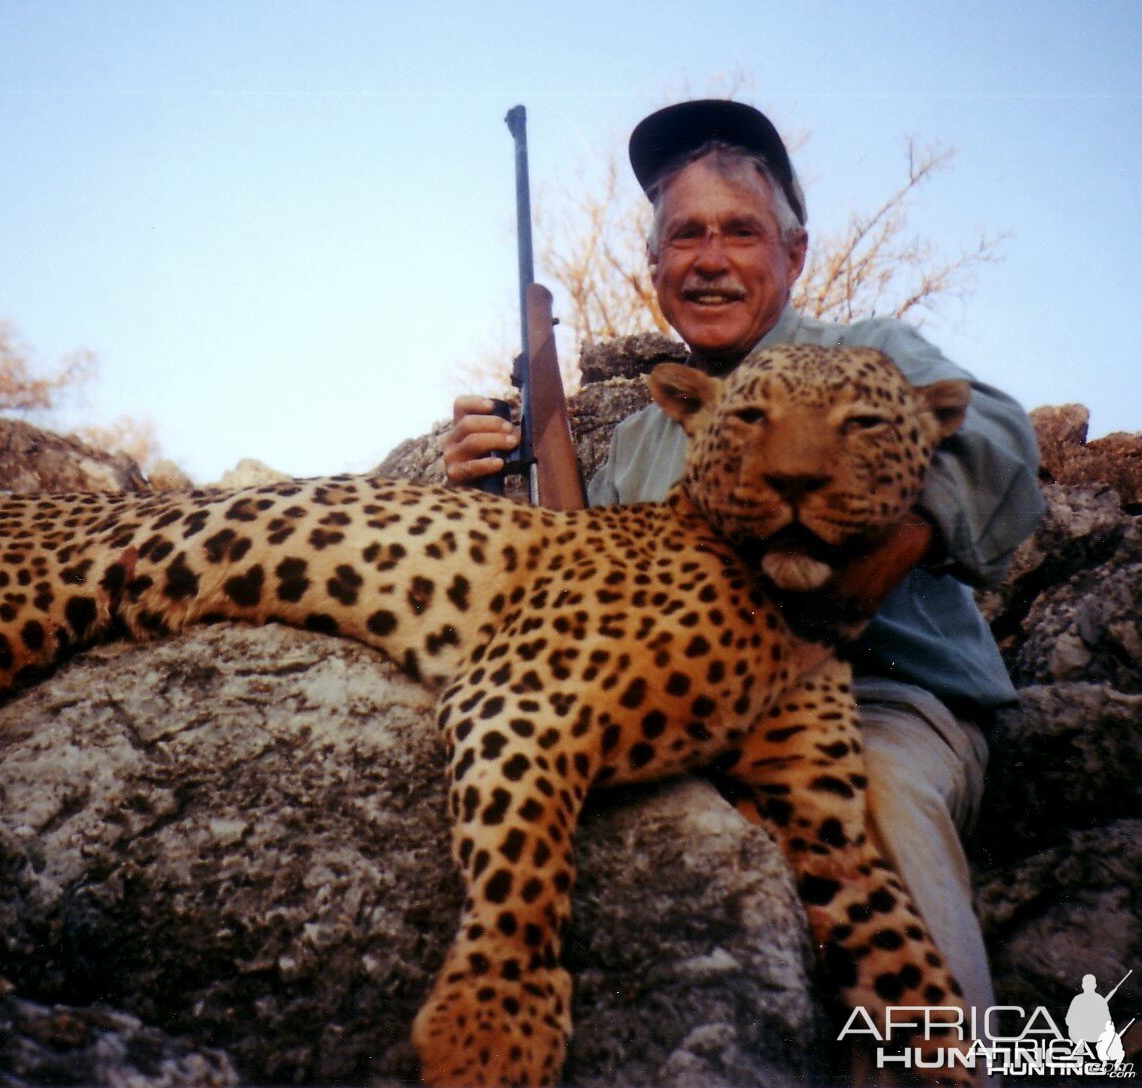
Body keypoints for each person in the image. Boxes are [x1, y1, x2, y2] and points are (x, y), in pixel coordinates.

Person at [444, 99, 1046, 1036]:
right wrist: (492, 481)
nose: (710, 257)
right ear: (653, 269)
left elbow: (1003, 434)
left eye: (740, 230)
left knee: (871, 815)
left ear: (795, 255)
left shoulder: (871, 354)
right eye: (685, 234)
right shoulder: (650, 434)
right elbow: (585, 584)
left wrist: (890, 550)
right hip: (702, 711)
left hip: (881, 701)